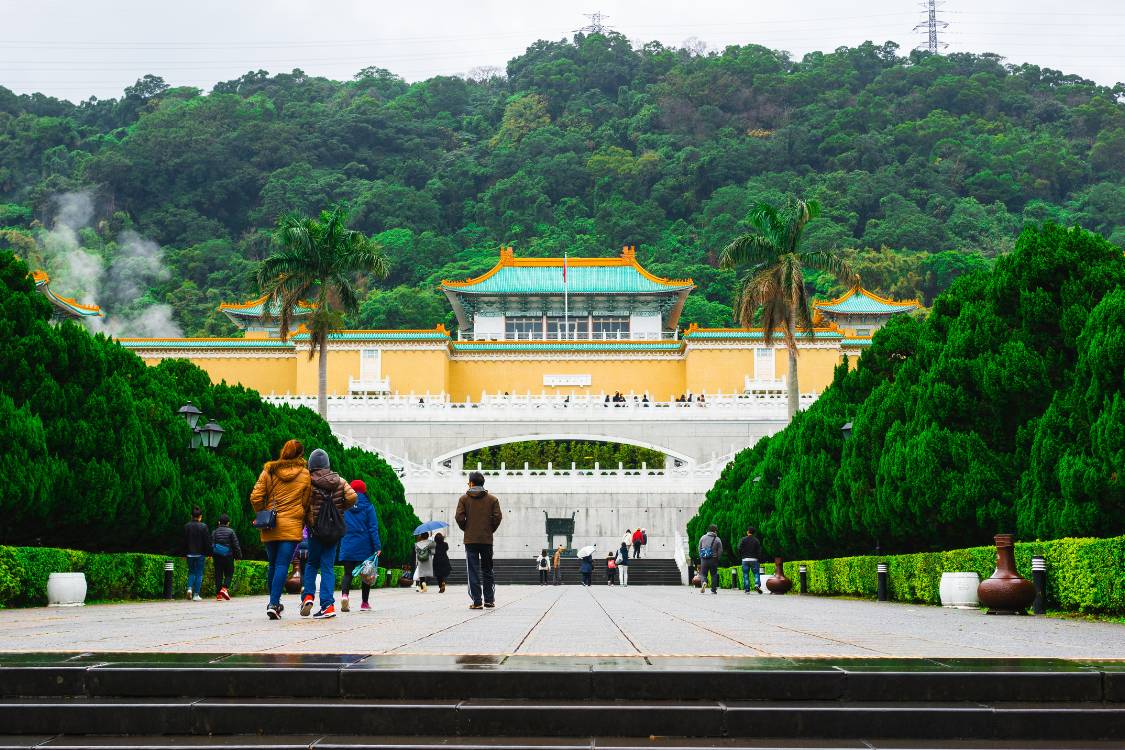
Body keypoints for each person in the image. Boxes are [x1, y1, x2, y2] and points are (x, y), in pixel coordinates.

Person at [249, 439, 312, 620]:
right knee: (283, 564)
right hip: (291, 525)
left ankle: (273, 601)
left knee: (273, 564)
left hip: (270, 525)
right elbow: (306, 502)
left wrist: (263, 513)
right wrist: (300, 515)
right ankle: (273, 603)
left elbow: (255, 497)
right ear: (300, 454)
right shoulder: (305, 474)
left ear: (283, 451)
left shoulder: (269, 470)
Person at [300, 448, 357, 619]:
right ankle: (328, 605)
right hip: (333, 531)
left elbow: (303, 503)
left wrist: (309, 516)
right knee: (327, 567)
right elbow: (353, 496)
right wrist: (339, 509)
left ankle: (308, 597)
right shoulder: (339, 480)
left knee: (311, 564)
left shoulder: (308, 481)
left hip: (315, 530)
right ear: (327, 464)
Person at [455, 471, 503, 610]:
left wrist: (467, 528)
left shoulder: (464, 499)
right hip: (487, 540)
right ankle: (489, 600)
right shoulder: (492, 499)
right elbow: (498, 517)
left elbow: (459, 517)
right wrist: (490, 530)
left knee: (473, 570)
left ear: (471, 483)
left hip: (470, 540)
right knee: (488, 569)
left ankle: (477, 601)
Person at [338, 479, 381, 612]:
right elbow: (373, 528)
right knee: (366, 574)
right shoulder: (369, 506)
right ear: (364, 490)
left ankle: (345, 596)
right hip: (365, 545)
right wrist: (377, 546)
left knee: (347, 574)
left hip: (348, 543)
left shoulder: (344, 505)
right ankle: (364, 603)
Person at [211, 513, 241, 601]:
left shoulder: (214, 532)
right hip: (228, 556)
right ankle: (224, 588)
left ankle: (218, 595)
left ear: (219, 522)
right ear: (228, 523)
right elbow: (236, 545)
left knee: (218, 574)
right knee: (229, 572)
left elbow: (211, 544)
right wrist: (238, 556)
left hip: (217, 556)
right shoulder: (231, 531)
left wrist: (213, 553)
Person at [183, 507, 210, 601]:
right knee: (199, 574)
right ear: (200, 517)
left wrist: (183, 553)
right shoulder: (204, 526)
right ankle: (196, 595)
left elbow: (184, 541)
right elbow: (207, 541)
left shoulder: (186, 526)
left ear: (191, 516)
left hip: (189, 554)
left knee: (191, 572)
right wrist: (209, 553)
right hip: (200, 554)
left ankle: (189, 589)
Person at [698, 524, 723, 594]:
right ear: (715, 531)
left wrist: (701, 557)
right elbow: (720, 550)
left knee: (703, 574)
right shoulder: (717, 539)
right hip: (713, 559)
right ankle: (713, 590)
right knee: (714, 574)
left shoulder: (702, 538)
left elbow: (699, 548)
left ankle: (704, 582)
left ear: (708, 530)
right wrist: (718, 558)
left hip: (704, 559)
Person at [738, 527, 763, 594]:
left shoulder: (743, 539)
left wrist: (742, 555)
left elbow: (739, 548)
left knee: (745, 574)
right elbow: (759, 551)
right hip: (754, 559)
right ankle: (757, 585)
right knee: (756, 573)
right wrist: (758, 558)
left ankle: (747, 590)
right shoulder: (756, 540)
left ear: (748, 532)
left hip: (745, 559)